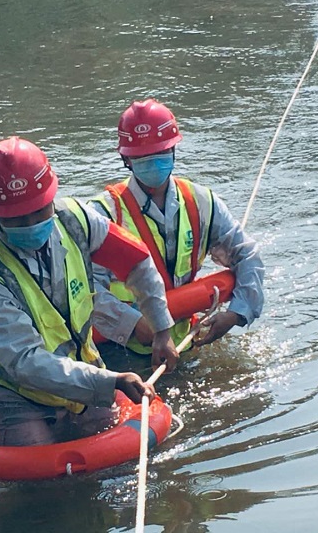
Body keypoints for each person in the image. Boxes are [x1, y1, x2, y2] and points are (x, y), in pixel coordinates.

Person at [0, 136, 179, 446]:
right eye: (18, 219)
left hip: (83, 366)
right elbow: (25, 361)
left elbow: (136, 262)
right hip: (17, 391)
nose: (31, 224)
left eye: (38, 211)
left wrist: (161, 329)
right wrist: (110, 381)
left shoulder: (75, 220)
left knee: (110, 460)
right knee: (38, 473)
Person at [89, 99, 264, 357]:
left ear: (173, 151)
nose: (153, 164)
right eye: (143, 159)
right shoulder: (103, 215)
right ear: (126, 159)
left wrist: (237, 314)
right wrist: (134, 324)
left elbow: (246, 254)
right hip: (118, 350)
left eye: (160, 155)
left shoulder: (201, 202)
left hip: (184, 338)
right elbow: (86, 290)